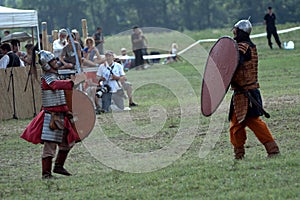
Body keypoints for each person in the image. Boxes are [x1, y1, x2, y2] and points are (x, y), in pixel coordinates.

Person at [20, 50, 82, 179]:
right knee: (50, 147)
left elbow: (61, 96)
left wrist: (67, 111)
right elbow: (54, 86)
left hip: (62, 115)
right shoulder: (48, 78)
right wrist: (71, 82)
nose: (56, 62)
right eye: (53, 60)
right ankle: (46, 174)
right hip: (51, 117)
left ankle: (58, 166)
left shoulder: (56, 76)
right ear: (47, 64)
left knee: (68, 142)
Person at [229, 19, 280, 159]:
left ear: (240, 31)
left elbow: (234, 65)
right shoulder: (246, 46)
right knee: (235, 124)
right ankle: (238, 153)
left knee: (253, 122)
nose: (234, 32)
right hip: (241, 92)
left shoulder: (243, 48)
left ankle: (273, 150)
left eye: (235, 30)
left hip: (247, 93)